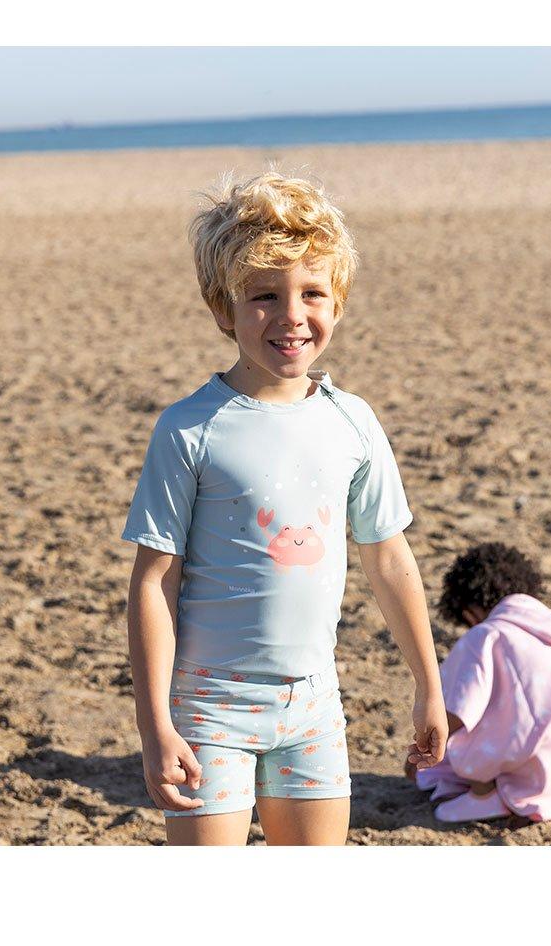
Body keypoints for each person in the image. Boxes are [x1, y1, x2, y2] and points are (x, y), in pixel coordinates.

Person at [121, 169, 448, 846]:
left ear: (339, 303)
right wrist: (154, 725)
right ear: (223, 309)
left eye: (312, 294)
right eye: (264, 297)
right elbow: (154, 581)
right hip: (209, 710)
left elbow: (389, 559)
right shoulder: (190, 428)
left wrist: (428, 685)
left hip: (314, 706)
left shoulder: (354, 423)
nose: (292, 316)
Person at [407, 542, 551, 823]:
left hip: (535, 780)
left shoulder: (486, 636)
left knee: (462, 741)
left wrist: (420, 754)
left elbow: (457, 713)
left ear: (469, 611)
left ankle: (486, 794)